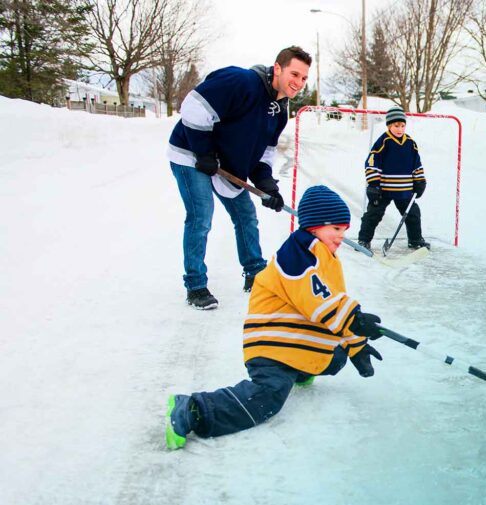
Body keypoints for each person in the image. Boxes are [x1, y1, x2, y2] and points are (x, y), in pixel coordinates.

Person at [166, 185, 385, 449]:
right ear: (315, 225)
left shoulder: (326, 257)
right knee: (267, 397)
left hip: (295, 339)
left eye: (344, 230)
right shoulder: (298, 253)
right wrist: (354, 318)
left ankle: (300, 368)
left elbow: (333, 301)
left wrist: (355, 345)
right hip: (273, 344)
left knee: (335, 357)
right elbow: (317, 300)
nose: (341, 237)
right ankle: (195, 408)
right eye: (336, 229)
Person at [168, 46, 312, 310]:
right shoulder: (242, 81)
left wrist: (268, 185)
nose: (299, 82)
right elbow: (193, 106)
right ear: (277, 68)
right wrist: (203, 151)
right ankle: (196, 285)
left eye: (304, 78)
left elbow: (265, 153)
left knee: (246, 215)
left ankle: (255, 273)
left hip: (224, 164)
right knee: (201, 216)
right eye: (294, 73)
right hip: (190, 153)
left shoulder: (280, 110)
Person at [357, 106, 430, 254]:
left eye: (402, 126)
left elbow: (416, 163)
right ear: (389, 126)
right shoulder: (383, 142)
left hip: (404, 190)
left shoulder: (410, 143)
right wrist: (373, 185)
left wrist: (419, 180)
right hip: (384, 190)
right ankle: (364, 241)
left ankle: (415, 240)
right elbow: (371, 162)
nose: (400, 129)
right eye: (396, 126)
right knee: (373, 214)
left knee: (413, 214)